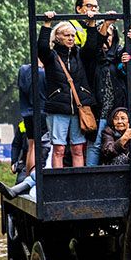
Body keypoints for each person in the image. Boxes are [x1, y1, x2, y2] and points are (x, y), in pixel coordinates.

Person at [37, 13, 98, 168]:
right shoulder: (51, 57)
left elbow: (91, 47)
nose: (71, 38)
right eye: (67, 35)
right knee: (59, 149)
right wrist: (47, 24)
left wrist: (91, 23)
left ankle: (79, 182)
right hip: (58, 108)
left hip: (78, 109)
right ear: (57, 37)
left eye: (73, 35)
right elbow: (42, 48)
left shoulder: (79, 55)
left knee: (78, 148)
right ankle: (58, 182)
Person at [84, 14, 125, 166]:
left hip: (116, 111)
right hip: (98, 110)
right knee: (95, 145)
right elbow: (92, 47)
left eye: (110, 35)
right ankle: (90, 177)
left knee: (117, 143)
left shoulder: (118, 56)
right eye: (105, 34)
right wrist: (105, 25)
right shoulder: (90, 57)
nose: (107, 38)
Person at [16, 58, 46, 177]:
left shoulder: (23, 70)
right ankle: (34, 179)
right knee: (38, 146)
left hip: (27, 113)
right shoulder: (42, 72)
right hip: (41, 112)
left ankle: (28, 176)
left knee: (31, 145)